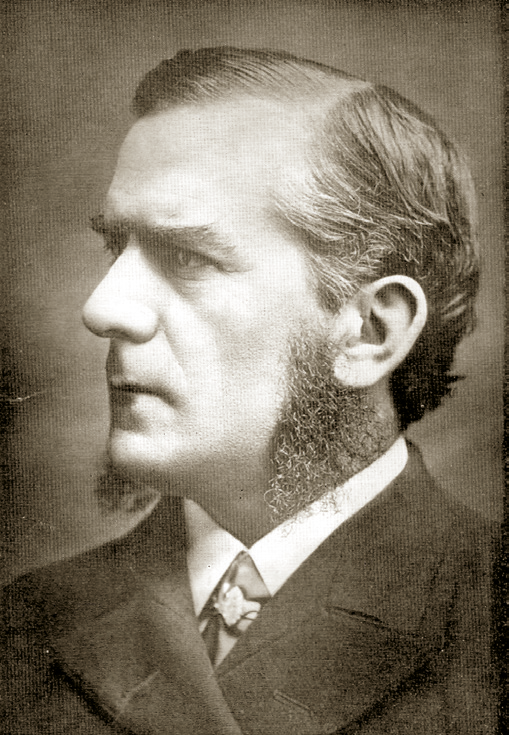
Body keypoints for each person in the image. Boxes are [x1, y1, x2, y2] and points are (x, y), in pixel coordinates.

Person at [2, 47, 496, 734]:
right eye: (117, 248)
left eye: (187, 257)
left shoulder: (487, 627)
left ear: (368, 333)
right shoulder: (24, 626)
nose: (103, 308)